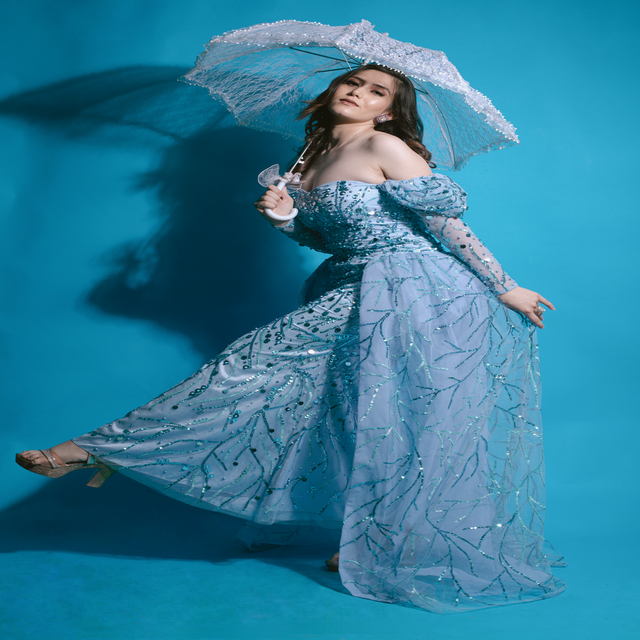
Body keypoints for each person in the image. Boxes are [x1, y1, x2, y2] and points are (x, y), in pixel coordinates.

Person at [16, 64, 565, 613]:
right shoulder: (310, 156)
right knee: (352, 412)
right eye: (352, 83)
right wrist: (284, 220)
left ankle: (93, 450)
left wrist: (505, 287)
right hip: (349, 283)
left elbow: (447, 227)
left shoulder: (385, 146)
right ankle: (374, 538)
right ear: (332, 90)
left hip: (414, 289)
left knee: (398, 413)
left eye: (377, 92)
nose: (358, 93)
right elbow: (332, 237)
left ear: (388, 112)